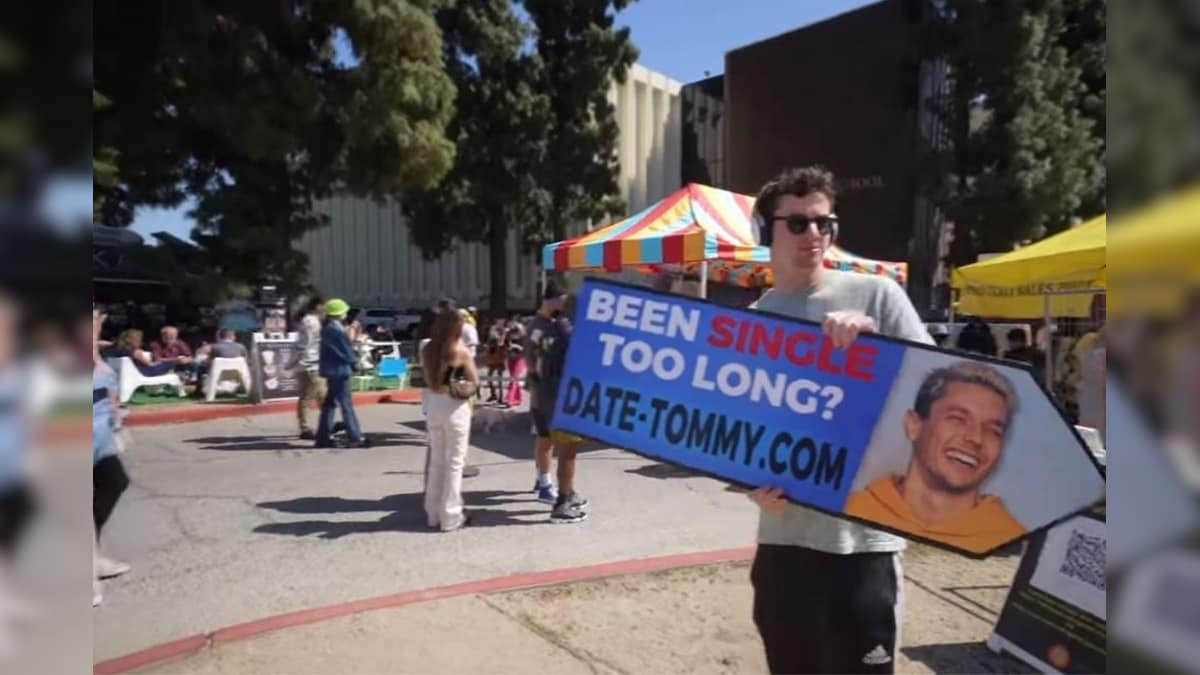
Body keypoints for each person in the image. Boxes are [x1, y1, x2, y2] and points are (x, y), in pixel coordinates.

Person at [744, 166, 933, 674]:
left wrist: (877, 343)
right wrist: (749, 481)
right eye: (799, 223)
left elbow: (939, 388)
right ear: (768, 231)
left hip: (864, 542)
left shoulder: (877, 296)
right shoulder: (751, 321)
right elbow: (745, 429)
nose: (815, 235)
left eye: (825, 223)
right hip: (783, 541)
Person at [844, 362, 1026, 554]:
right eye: (957, 419)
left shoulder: (1008, 540)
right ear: (914, 425)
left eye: (993, 430)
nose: (976, 438)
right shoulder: (855, 509)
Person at [526, 281, 588, 524]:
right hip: (561, 396)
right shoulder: (560, 328)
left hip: (540, 395)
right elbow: (579, 349)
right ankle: (563, 502)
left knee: (546, 441)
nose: (565, 306)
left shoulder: (533, 326)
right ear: (554, 300)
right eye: (563, 301)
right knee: (568, 451)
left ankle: (558, 487)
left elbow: (530, 363)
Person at [421, 309, 479, 531]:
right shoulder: (459, 351)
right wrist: (458, 379)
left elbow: (434, 381)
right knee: (455, 462)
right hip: (454, 407)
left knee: (437, 460)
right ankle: (451, 515)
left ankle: (433, 513)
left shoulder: (427, 348)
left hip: (434, 404)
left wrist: (445, 377)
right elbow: (473, 381)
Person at [92, 311, 132, 607]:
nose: (99, 319)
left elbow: (106, 387)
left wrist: (116, 416)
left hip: (100, 436)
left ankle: (91, 554)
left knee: (115, 482)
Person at [314, 299, 369, 448]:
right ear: (339, 313)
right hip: (340, 371)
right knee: (346, 405)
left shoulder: (331, 327)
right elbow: (345, 351)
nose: (346, 314)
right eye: (344, 311)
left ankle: (323, 436)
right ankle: (355, 436)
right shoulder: (335, 329)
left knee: (330, 404)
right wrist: (355, 363)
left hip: (333, 370)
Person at [295, 297, 326, 440]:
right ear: (317, 306)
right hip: (310, 364)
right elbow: (307, 344)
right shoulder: (311, 322)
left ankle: (326, 424)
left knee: (322, 395)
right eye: (323, 306)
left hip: (311, 363)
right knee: (308, 397)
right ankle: (305, 428)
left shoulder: (310, 321)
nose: (325, 310)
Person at [103, 328, 176, 377]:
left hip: (117, 374)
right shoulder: (135, 352)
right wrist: (158, 362)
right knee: (170, 363)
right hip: (140, 373)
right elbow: (150, 365)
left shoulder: (113, 349)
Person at [483, 318, 508, 404]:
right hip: (492, 358)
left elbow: (500, 343)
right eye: (498, 322)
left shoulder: (505, 332)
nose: (499, 324)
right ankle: (493, 394)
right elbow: (489, 342)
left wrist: (503, 334)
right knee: (489, 377)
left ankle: (501, 398)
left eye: (501, 322)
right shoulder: (492, 330)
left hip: (500, 358)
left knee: (499, 378)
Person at [505, 314, 527, 407]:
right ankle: (517, 399)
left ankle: (509, 399)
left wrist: (518, 347)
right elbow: (504, 344)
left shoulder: (523, 336)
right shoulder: (509, 334)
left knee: (514, 378)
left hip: (520, 358)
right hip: (510, 357)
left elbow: (526, 348)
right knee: (514, 378)